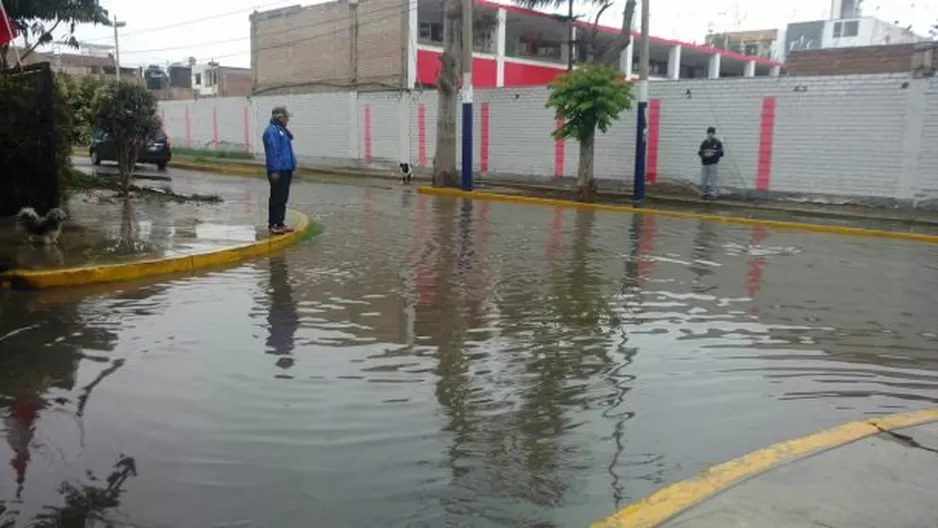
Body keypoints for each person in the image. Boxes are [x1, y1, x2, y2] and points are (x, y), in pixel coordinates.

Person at [262, 106, 297, 234]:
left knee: (283, 198)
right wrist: (275, 170)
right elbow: (273, 152)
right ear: (280, 117)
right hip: (278, 170)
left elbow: (286, 151)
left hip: (286, 169)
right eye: (287, 117)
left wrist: (292, 166)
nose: (288, 120)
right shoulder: (272, 131)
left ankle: (280, 223)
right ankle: (273, 224)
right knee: (276, 197)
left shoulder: (281, 130)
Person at [697, 126, 724, 200]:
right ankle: (703, 193)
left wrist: (712, 155)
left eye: (712, 133)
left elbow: (721, 153)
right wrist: (704, 155)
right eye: (709, 133)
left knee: (713, 179)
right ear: (707, 133)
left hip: (713, 163)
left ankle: (712, 194)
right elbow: (700, 152)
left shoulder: (717, 143)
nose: (710, 134)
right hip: (705, 163)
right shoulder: (704, 143)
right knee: (704, 179)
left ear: (714, 133)